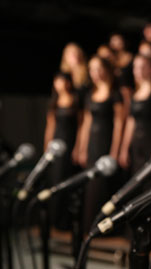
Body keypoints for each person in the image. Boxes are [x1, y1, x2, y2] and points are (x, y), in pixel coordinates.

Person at [78, 56, 124, 232]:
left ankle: (106, 228)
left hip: (107, 142)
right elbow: (87, 124)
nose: (95, 73)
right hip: (92, 144)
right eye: (91, 69)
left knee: (103, 186)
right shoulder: (91, 94)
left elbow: (119, 124)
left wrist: (115, 151)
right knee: (91, 186)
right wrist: (81, 147)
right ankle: (90, 226)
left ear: (106, 69)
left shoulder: (115, 93)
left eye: (98, 68)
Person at [44, 72, 81, 229]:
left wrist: (79, 147)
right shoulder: (54, 101)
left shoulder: (75, 99)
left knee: (68, 178)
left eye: (64, 81)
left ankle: (66, 221)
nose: (61, 84)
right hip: (57, 143)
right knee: (55, 178)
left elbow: (81, 125)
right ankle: (54, 219)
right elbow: (50, 126)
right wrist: (47, 148)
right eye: (58, 81)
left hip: (71, 142)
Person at [60, 43, 90, 108]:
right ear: (65, 57)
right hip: (69, 109)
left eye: (76, 53)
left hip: (85, 106)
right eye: (71, 54)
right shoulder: (63, 75)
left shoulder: (88, 73)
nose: (75, 56)